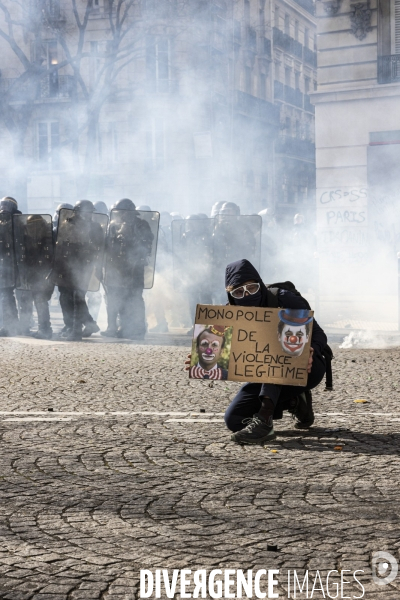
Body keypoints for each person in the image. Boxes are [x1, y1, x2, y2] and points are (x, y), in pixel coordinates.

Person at [223, 259, 327, 445]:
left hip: (306, 367)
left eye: (252, 288)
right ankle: (295, 401)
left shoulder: (284, 299)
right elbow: (228, 350)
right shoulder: (232, 314)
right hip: (264, 375)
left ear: (260, 284)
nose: (247, 295)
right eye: (239, 292)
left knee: (277, 353)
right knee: (234, 420)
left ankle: (264, 421)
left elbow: (318, 333)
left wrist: (312, 350)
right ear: (231, 296)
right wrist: (208, 360)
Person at [102, 198, 154, 339]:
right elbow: (106, 246)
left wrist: (130, 236)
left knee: (135, 298)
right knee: (118, 298)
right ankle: (124, 328)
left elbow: (147, 244)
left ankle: (138, 330)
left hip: (134, 270)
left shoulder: (141, 225)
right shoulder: (113, 226)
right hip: (116, 269)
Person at [53, 200, 104, 341]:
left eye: (90, 212)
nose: (88, 215)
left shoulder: (95, 228)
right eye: (86, 212)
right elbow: (60, 246)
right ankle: (80, 325)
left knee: (78, 297)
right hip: (66, 265)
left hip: (84, 266)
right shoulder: (66, 224)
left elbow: (100, 250)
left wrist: (99, 267)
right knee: (65, 297)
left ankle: (76, 331)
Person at [0, 197, 20, 337]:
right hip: (2, 264)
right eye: (2, 204)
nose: (4, 207)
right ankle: (12, 324)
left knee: (6, 295)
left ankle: (9, 326)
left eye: (6, 205)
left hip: (13, 264)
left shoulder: (18, 222)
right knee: (6, 295)